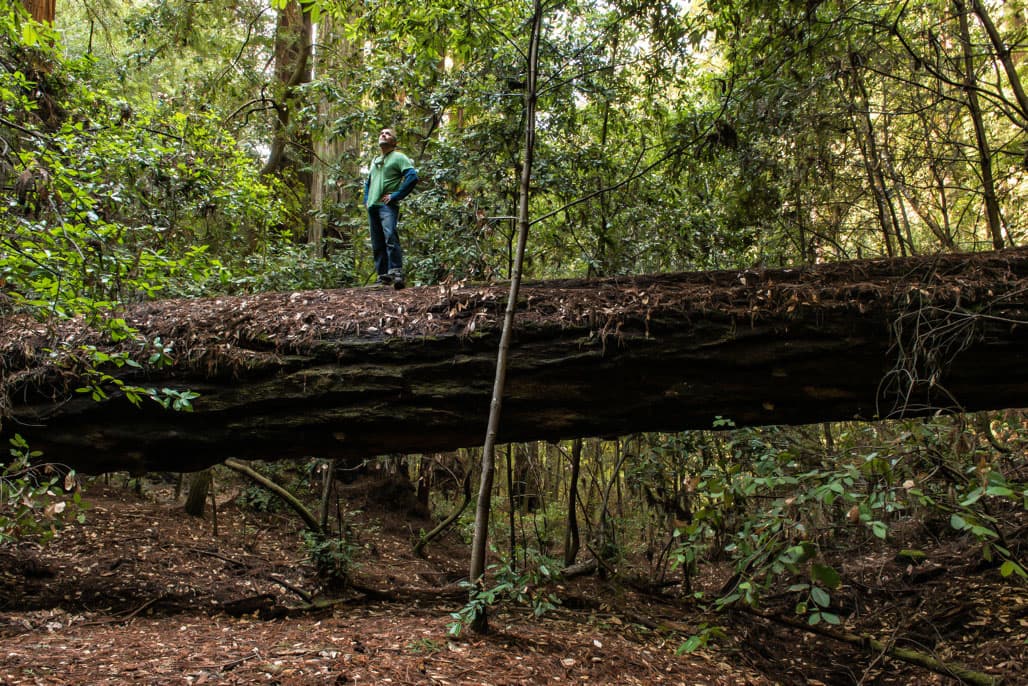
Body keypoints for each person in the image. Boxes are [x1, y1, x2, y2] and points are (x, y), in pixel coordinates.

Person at [364, 127, 418, 289]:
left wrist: (396, 195)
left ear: (394, 142)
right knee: (377, 242)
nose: (383, 135)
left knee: (390, 237)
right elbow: (368, 183)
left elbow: (412, 176)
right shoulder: (375, 161)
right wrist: (367, 200)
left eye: (387, 134)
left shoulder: (398, 157)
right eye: (381, 133)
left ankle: (396, 272)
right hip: (373, 207)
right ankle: (383, 276)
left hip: (387, 206)